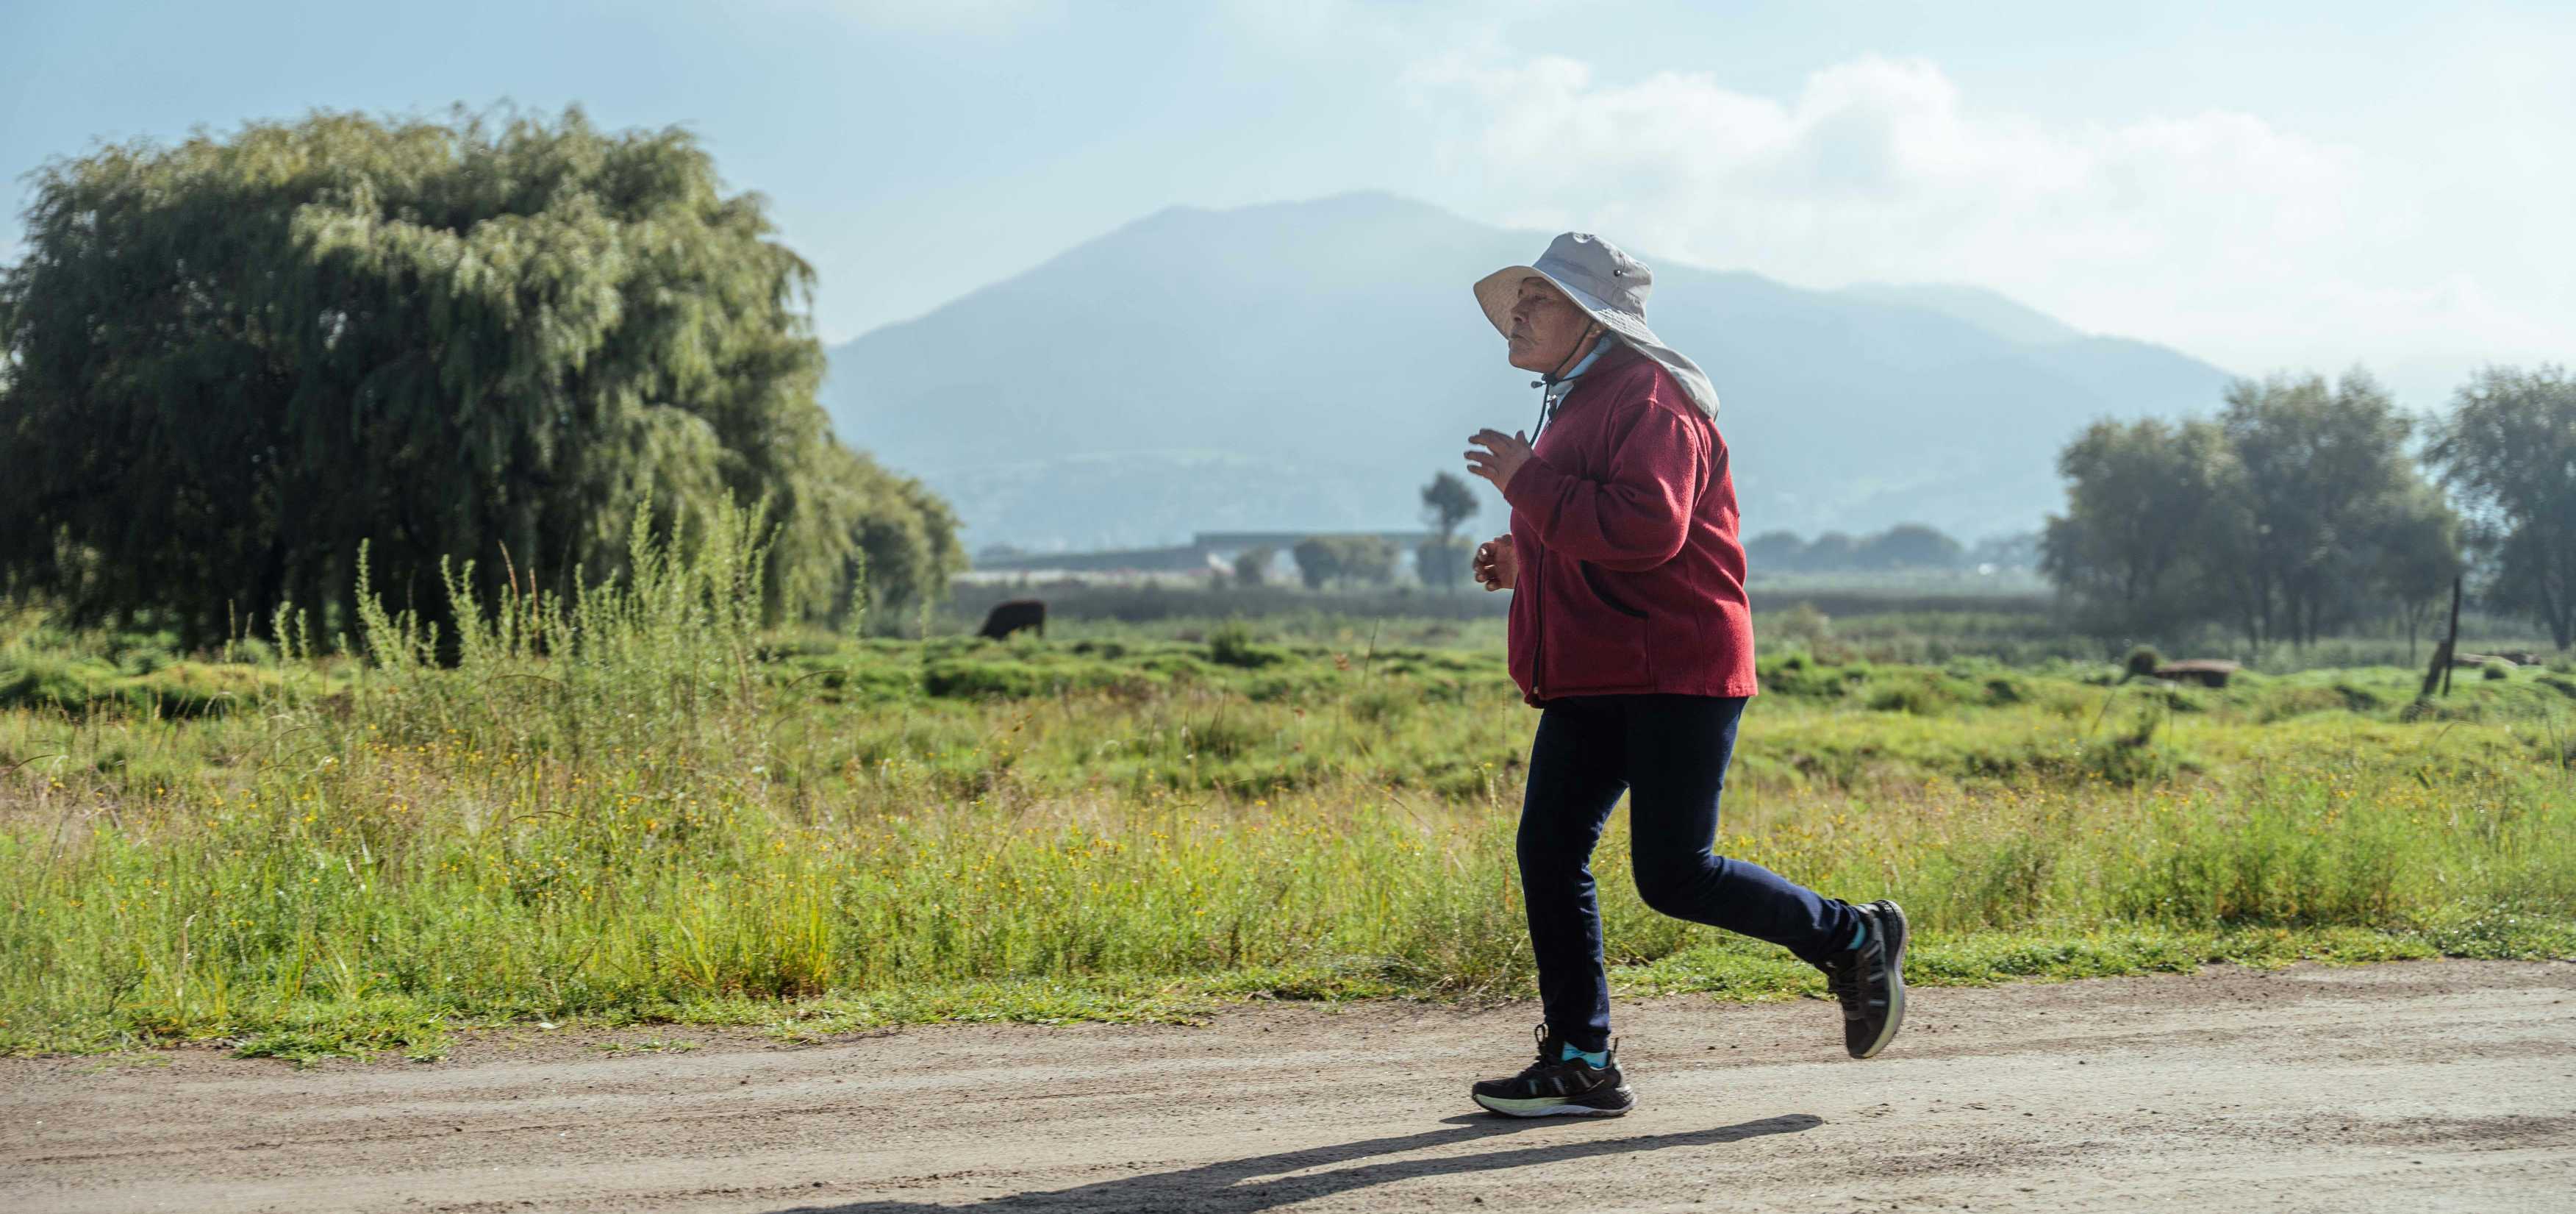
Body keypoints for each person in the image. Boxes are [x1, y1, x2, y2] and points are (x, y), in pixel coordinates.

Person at [1456, 233, 1906, 1118]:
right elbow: (1607, 531)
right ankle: (1581, 1059)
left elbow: (1647, 532)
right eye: (1519, 299)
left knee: (1674, 873)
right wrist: (1530, 557)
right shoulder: (1581, 398)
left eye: (1537, 300)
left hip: (1674, 666)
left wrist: (1528, 486)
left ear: (1591, 317)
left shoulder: (1650, 397)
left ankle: (1852, 934)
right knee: (1548, 850)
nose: (1517, 313)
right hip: (1601, 669)